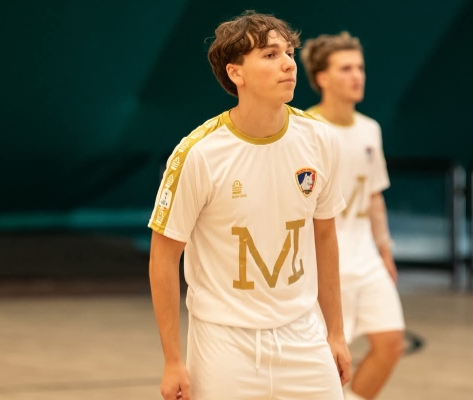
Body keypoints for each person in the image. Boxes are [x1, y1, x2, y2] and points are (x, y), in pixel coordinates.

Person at [148, 11, 351, 400]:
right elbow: (163, 257)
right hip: (224, 345)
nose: (288, 63)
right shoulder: (198, 153)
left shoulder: (319, 139)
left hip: (304, 335)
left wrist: (336, 332)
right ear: (235, 72)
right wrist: (173, 359)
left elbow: (325, 236)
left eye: (289, 52)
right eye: (270, 55)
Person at [300, 32, 405, 400]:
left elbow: (374, 196)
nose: (357, 75)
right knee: (328, 361)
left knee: (391, 343)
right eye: (345, 68)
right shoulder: (305, 130)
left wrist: (385, 250)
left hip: (367, 259)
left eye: (360, 67)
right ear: (322, 78)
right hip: (325, 261)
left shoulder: (370, 129)